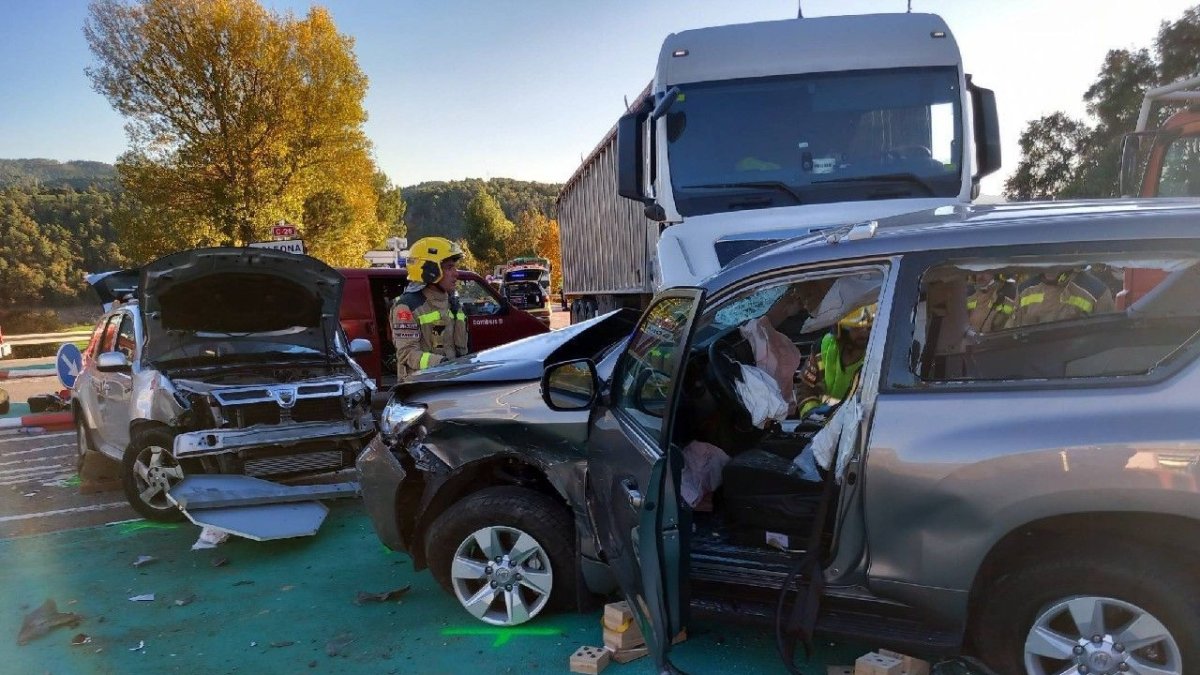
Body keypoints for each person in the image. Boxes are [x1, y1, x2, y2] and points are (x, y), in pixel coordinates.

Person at [390, 236, 469, 380]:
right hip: (421, 388)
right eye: (449, 268)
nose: (456, 273)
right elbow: (407, 353)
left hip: (450, 382)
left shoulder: (453, 304)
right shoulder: (407, 307)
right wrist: (442, 364)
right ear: (431, 271)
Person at [795, 303, 875, 417]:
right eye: (857, 328)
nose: (864, 332)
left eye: (869, 327)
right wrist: (811, 414)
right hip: (825, 427)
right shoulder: (824, 347)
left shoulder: (879, 356)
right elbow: (805, 387)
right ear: (841, 328)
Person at [1011, 267, 1116, 327]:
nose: (1050, 267)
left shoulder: (1095, 292)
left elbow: (1107, 337)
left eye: (1055, 259)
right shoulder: (1025, 290)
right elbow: (1012, 331)